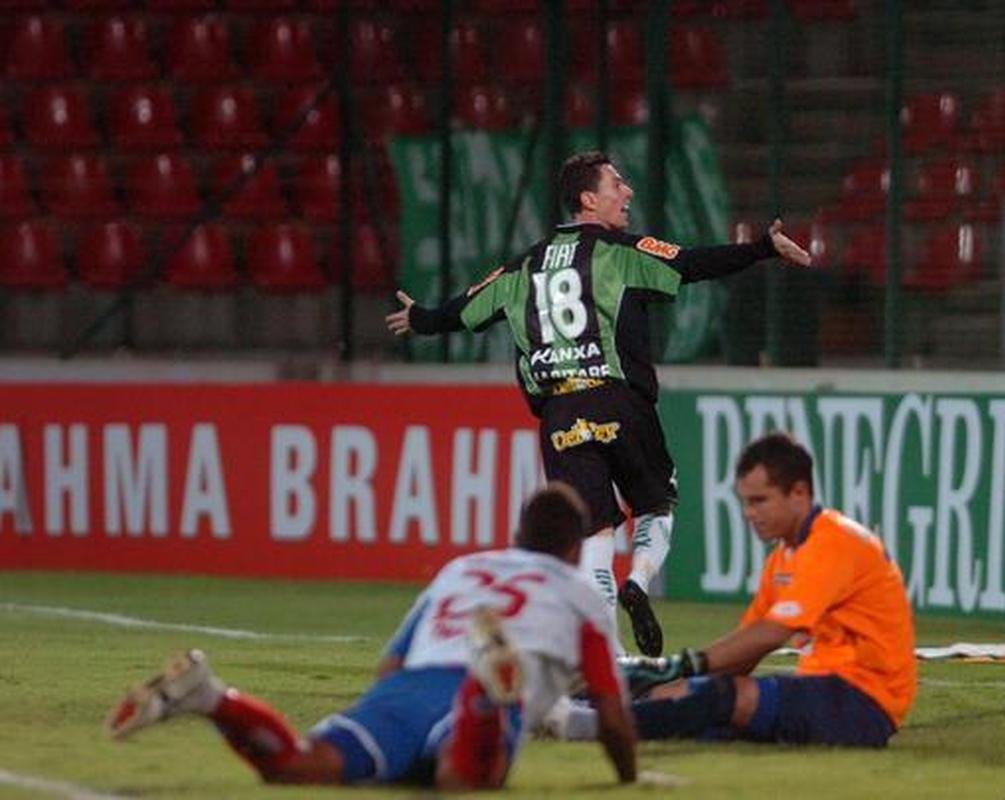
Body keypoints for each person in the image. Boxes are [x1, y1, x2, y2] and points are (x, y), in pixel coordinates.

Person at [386, 150, 812, 657]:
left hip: (560, 415)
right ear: (589, 199)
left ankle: (609, 657)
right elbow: (693, 263)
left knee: (594, 532)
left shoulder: (523, 266)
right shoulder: (622, 251)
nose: (627, 192)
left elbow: (465, 309)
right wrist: (762, 247)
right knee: (657, 502)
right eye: (617, 183)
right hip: (620, 403)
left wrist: (423, 319)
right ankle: (641, 578)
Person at [105, 483, 637, 790]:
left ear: (517, 536)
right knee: (465, 777)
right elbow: (612, 716)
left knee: (299, 765)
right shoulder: (580, 594)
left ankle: (211, 697)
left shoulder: (463, 568)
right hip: (480, 689)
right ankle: (483, 697)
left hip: (410, 687)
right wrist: (628, 777)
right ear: (573, 549)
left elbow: (388, 667)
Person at [559, 432, 916, 748]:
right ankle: (591, 710)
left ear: (799, 493)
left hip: (864, 702)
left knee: (719, 698)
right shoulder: (785, 556)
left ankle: (590, 726)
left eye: (760, 500)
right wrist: (673, 683)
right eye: (745, 502)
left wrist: (682, 666)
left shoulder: (832, 543)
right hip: (827, 691)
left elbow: (773, 633)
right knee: (698, 703)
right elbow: (746, 648)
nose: (749, 513)